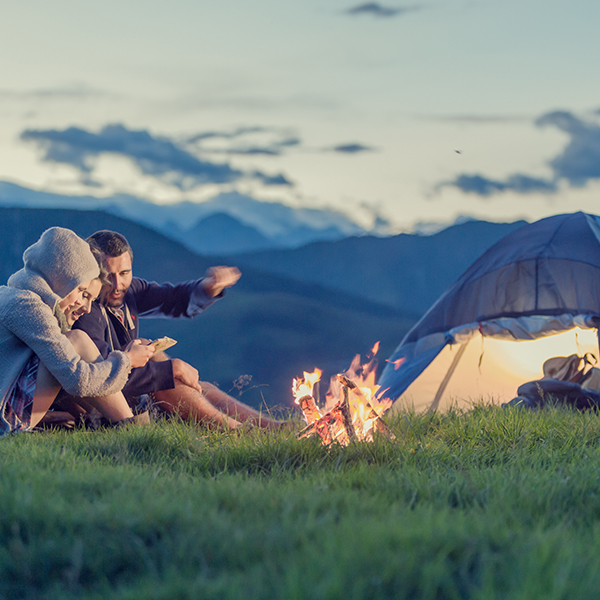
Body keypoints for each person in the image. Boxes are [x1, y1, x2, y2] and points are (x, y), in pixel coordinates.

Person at [73, 230, 285, 429]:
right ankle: (242, 433)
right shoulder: (86, 311)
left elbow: (172, 299)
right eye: (108, 275)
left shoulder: (129, 291)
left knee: (200, 388)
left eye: (125, 273)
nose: (118, 284)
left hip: (130, 390)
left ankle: (274, 427)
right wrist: (170, 369)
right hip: (105, 407)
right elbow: (100, 376)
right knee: (167, 376)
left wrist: (209, 287)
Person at [0, 227, 155, 435]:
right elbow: (77, 380)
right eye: (82, 292)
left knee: (69, 346)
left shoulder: (15, 296)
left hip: (8, 410)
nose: (87, 307)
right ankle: (133, 430)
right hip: (6, 420)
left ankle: (106, 422)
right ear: (60, 278)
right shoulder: (28, 306)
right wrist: (126, 360)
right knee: (76, 341)